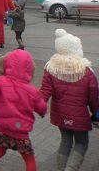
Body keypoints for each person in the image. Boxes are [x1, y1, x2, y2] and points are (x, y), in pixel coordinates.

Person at [39, 29, 99, 171]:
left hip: (60, 114)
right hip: (80, 116)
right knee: (82, 142)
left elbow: (44, 92)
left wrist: (38, 107)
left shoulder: (51, 68)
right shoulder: (86, 70)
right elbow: (93, 96)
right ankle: (71, 169)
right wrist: (95, 112)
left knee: (65, 141)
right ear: (77, 49)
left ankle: (61, 168)